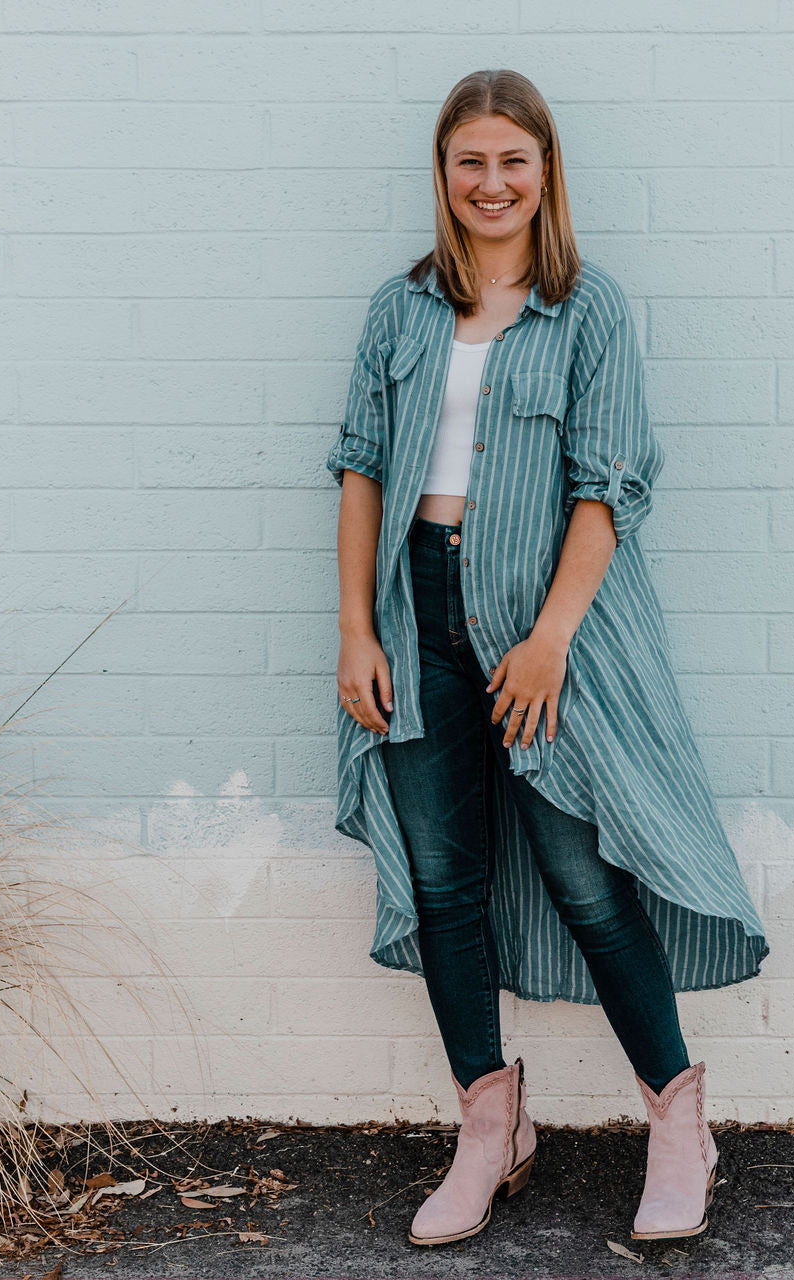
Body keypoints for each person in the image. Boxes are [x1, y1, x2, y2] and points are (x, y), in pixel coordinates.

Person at [327, 68, 769, 1248]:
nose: (491, 182)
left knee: (585, 876)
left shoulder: (590, 309)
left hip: (545, 619)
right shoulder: (399, 311)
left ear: (544, 173)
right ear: (444, 173)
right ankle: (490, 1123)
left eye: (511, 161)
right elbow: (363, 468)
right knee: (443, 880)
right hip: (419, 610)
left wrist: (549, 642)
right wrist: (357, 628)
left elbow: (609, 483)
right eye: (469, 161)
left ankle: (678, 1122)